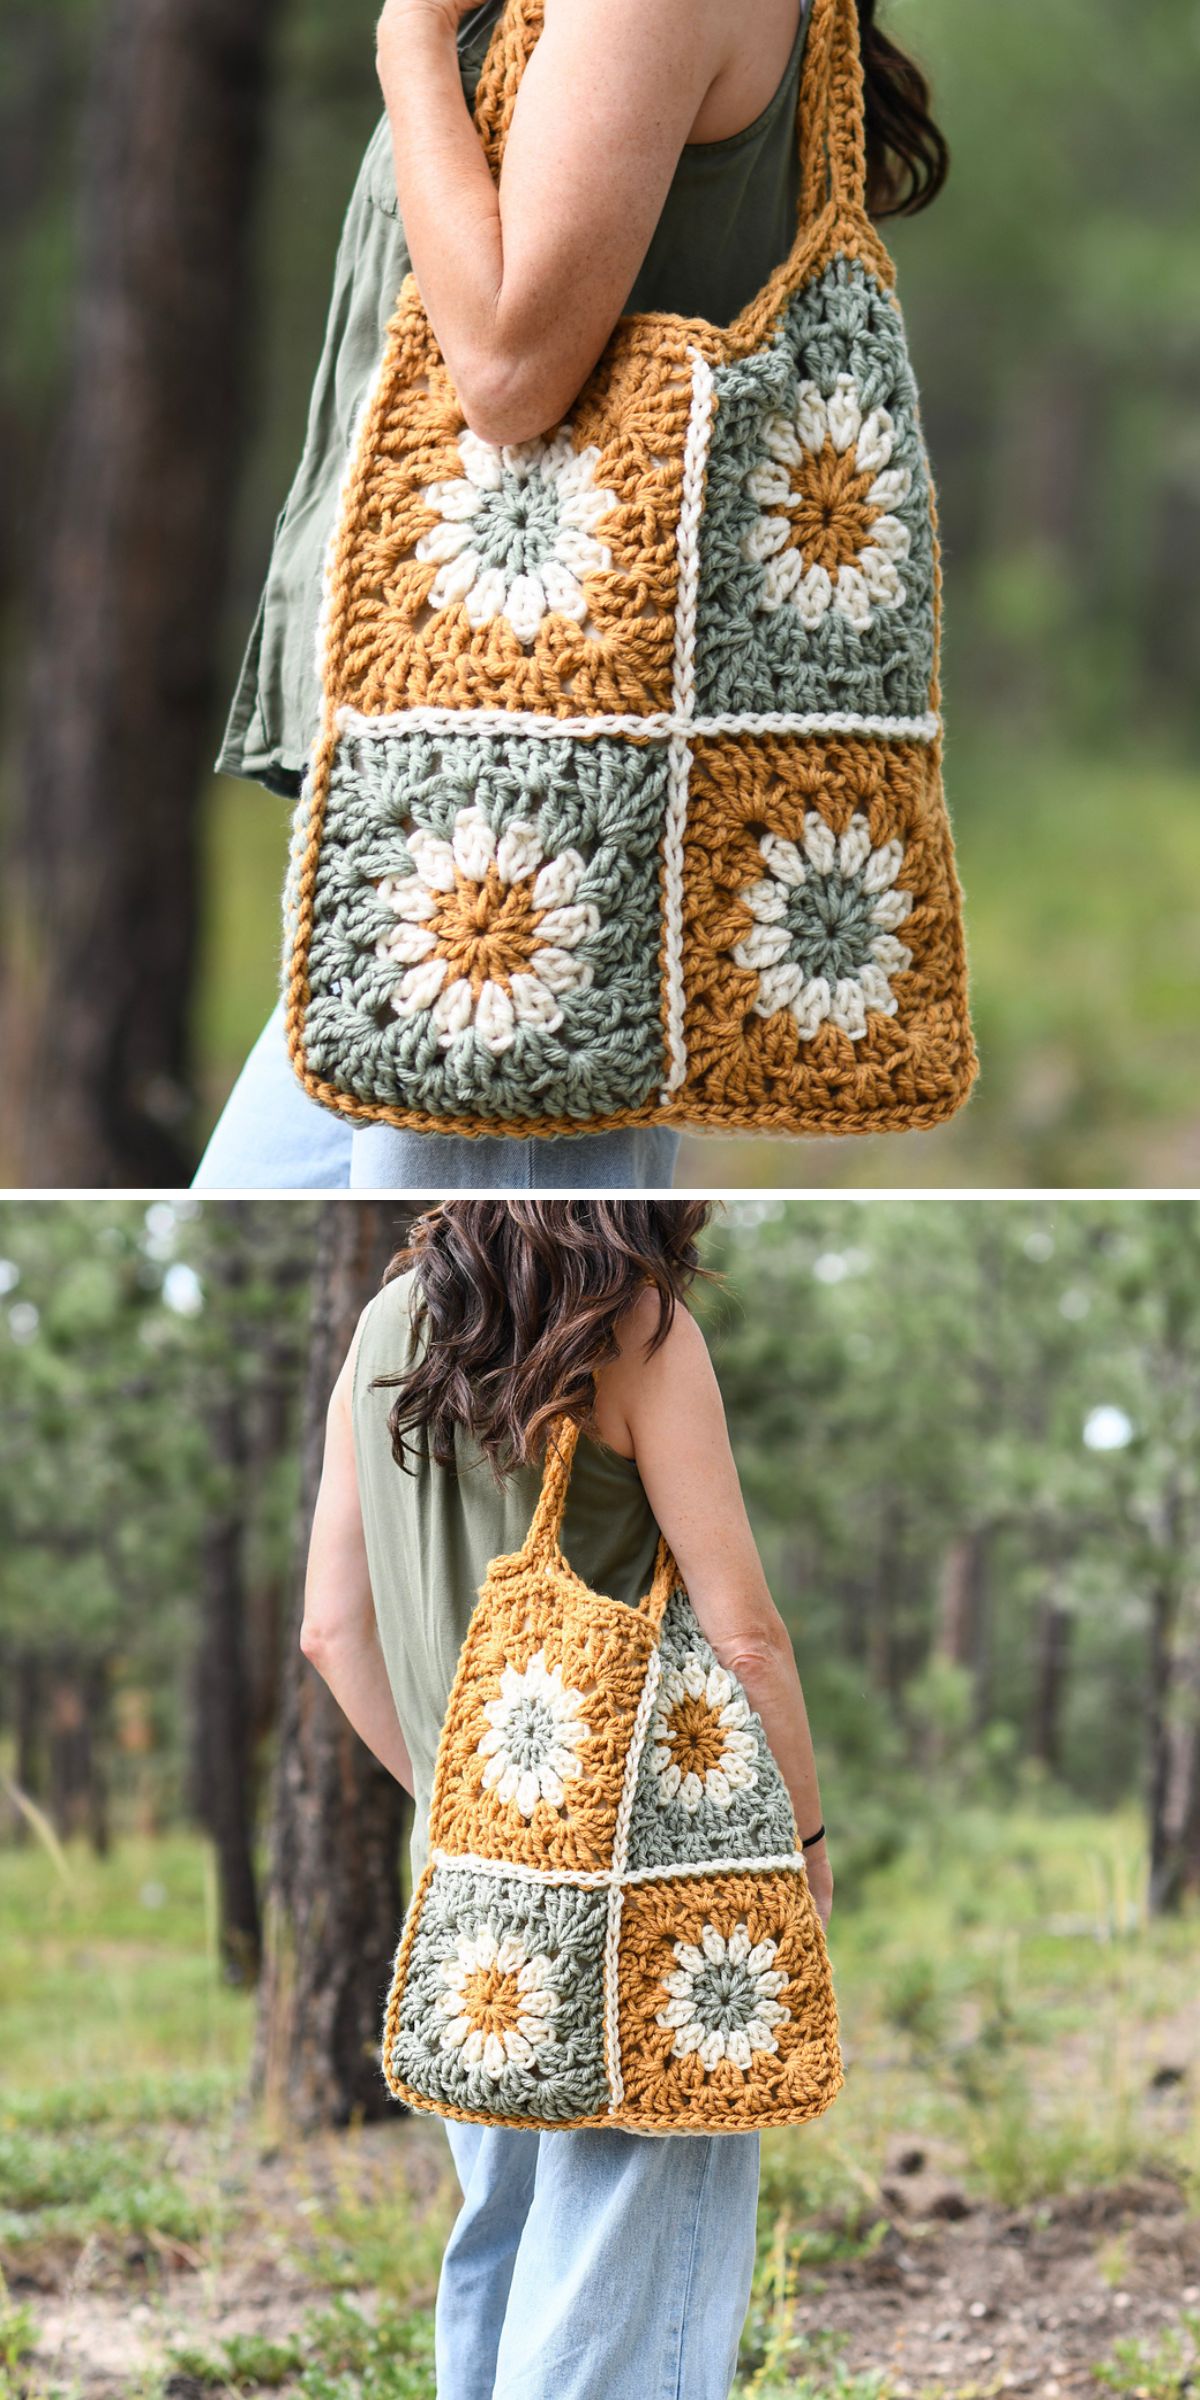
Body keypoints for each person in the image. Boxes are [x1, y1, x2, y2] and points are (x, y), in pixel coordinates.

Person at [198, 0, 947, 1193]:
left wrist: (407, 45)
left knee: (504, 1241)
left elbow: (506, 368)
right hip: (449, 813)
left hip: (543, 808)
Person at [300, 1199, 834, 2400]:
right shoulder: (631, 1323)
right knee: (620, 2262)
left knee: (501, 2228)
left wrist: (465, 1808)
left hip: (466, 1885)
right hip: (648, 1891)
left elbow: (329, 1631)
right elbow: (747, 1638)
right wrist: (803, 1841)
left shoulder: (385, 1323)